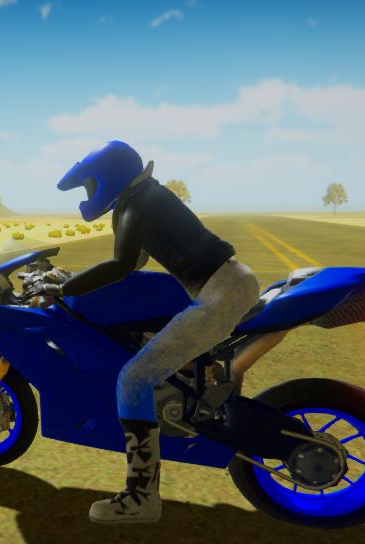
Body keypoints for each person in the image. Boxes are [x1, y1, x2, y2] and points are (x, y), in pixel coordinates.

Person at [22, 140, 260, 524]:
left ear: (107, 176)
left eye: (89, 184)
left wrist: (64, 288)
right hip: (231, 283)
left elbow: (120, 265)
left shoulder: (137, 204)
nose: (88, 194)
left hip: (221, 294)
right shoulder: (147, 197)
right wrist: (72, 278)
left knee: (134, 379)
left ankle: (142, 497)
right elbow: (134, 261)